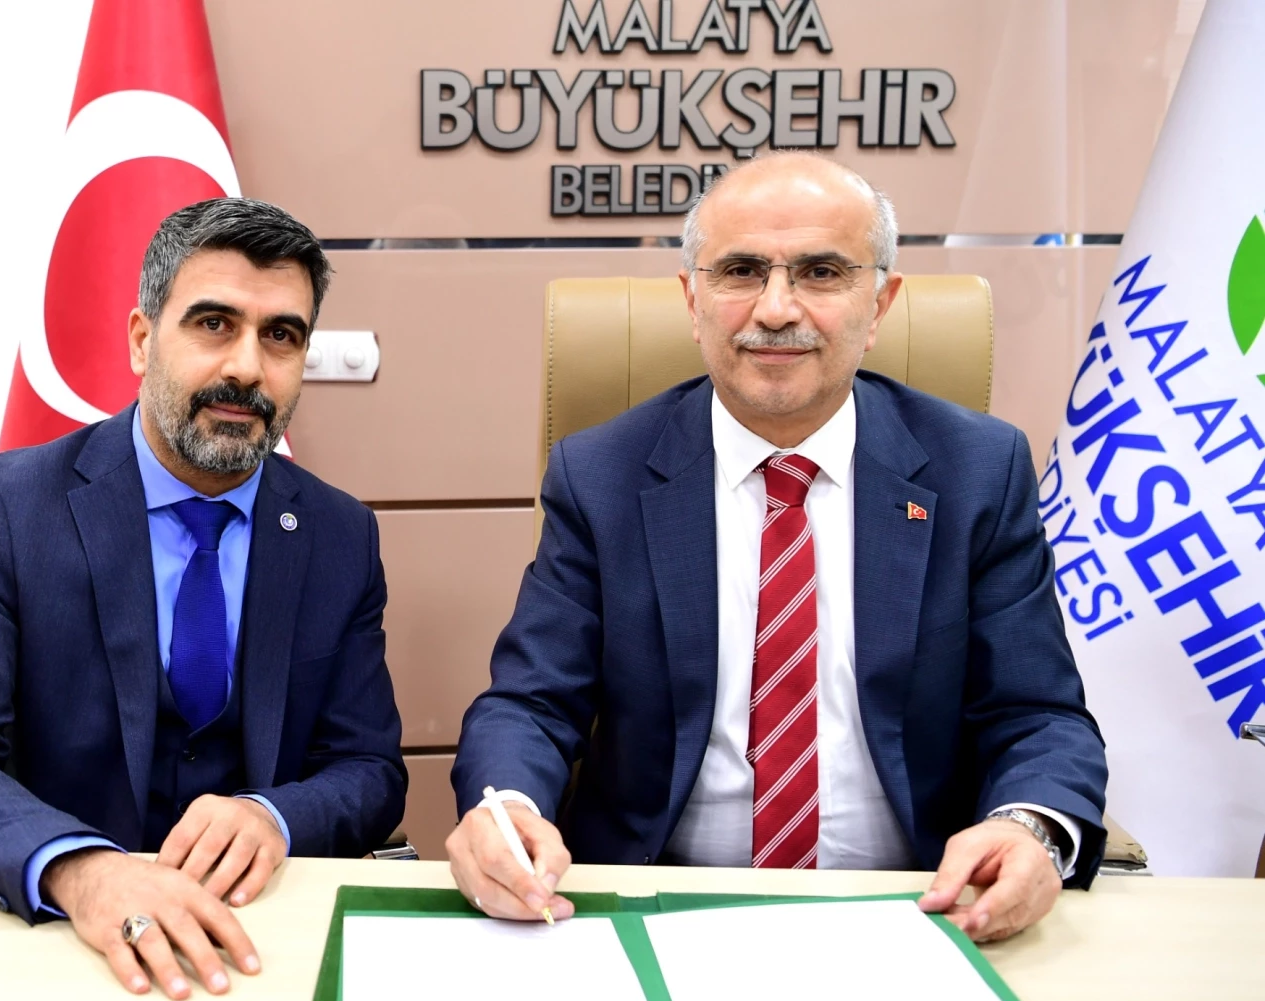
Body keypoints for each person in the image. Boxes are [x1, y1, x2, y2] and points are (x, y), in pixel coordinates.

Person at [446, 153, 1108, 943]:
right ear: (692, 301)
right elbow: (530, 701)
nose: (774, 309)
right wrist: (507, 808)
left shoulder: (977, 471)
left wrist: (1029, 828)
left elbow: (1035, 714)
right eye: (740, 272)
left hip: (919, 910)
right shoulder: (601, 475)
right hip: (654, 905)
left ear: (880, 302)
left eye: (821, 273)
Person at [0, 198, 406, 999]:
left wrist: (273, 815)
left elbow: (367, 769)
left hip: (258, 947)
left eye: (280, 336)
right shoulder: (8, 508)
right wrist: (82, 870)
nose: (247, 368)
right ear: (140, 338)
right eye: (213, 324)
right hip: (57, 945)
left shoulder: (339, 534)